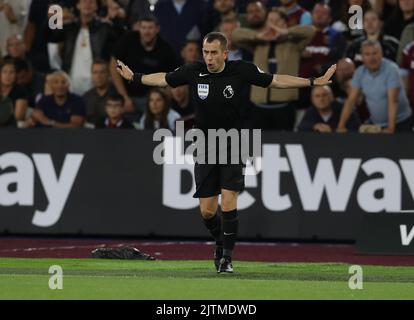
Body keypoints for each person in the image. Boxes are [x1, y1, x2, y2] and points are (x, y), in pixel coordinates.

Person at [116, 32, 336, 273]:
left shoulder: (241, 70)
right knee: (207, 211)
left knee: (229, 199)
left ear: (224, 53)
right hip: (204, 144)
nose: (208, 58)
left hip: (234, 141)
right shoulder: (193, 70)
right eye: (205, 52)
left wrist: (313, 81)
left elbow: (275, 80)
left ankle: (226, 259)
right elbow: (164, 79)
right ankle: (220, 241)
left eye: (213, 53)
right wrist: (135, 77)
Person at [337, 40, 413, 133]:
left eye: (375, 53)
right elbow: (351, 100)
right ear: (362, 57)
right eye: (367, 54)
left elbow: (393, 100)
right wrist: (341, 126)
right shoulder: (359, 72)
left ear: (381, 54)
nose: (371, 58)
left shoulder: (391, 69)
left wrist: (390, 128)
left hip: (401, 122)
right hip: (377, 124)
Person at [0, 59, 28, 128]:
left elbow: (18, 117)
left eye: (11, 72)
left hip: (11, 128)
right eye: (4, 72)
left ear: (16, 75)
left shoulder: (20, 91)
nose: (8, 75)